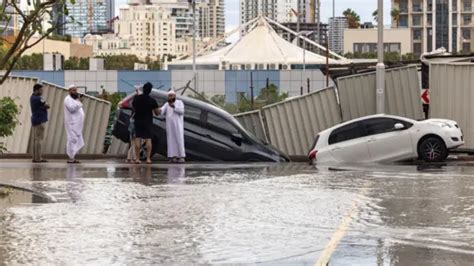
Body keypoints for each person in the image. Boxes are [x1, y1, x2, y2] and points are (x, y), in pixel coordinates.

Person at [132, 82, 160, 164]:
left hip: (138, 120)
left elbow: (133, 106)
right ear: (150, 91)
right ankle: (148, 159)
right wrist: (159, 110)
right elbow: (157, 113)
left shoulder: (136, 98)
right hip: (148, 121)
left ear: (143, 89)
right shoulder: (152, 100)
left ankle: (137, 159)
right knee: (148, 139)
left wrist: (137, 95)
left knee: (138, 138)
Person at [160, 90, 185, 163]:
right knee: (171, 141)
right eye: (169, 96)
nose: (170, 97)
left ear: (175, 96)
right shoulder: (166, 104)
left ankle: (181, 156)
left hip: (178, 126)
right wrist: (158, 110)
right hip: (170, 127)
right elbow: (162, 111)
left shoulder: (179, 103)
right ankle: (172, 157)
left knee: (179, 140)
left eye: (171, 96)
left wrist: (174, 107)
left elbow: (182, 111)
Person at [64, 85, 85, 163]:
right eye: (73, 90)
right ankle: (71, 158)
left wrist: (78, 101)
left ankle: (73, 157)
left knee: (76, 140)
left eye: (76, 90)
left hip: (77, 124)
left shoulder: (75, 99)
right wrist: (80, 102)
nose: (75, 92)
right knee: (72, 140)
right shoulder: (67, 99)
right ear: (69, 91)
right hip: (72, 123)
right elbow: (72, 109)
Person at [30, 83, 50, 163]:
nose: (42, 91)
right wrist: (44, 106)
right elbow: (48, 105)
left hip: (35, 120)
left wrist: (42, 106)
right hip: (40, 120)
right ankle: (38, 158)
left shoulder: (32, 97)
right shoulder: (38, 98)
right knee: (39, 140)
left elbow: (43, 105)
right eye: (41, 90)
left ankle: (35, 157)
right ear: (36, 90)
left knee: (35, 140)